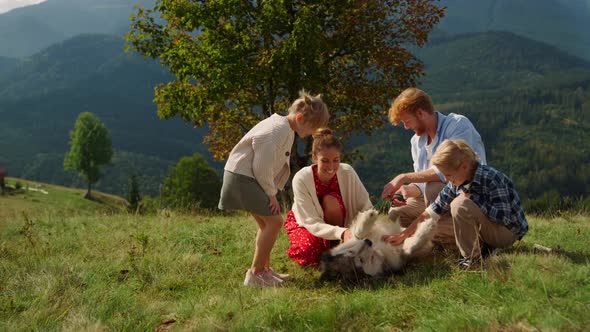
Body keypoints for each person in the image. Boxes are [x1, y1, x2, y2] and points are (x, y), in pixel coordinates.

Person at [218, 91, 329, 287]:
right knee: (275, 222)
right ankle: (255, 273)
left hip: (246, 177)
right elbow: (261, 166)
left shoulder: (285, 129)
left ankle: (264, 271)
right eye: (313, 128)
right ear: (300, 118)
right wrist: (271, 194)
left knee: (266, 224)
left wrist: (272, 190)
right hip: (243, 178)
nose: (312, 133)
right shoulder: (278, 130)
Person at [383, 139, 528, 269]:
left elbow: (505, 218)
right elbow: (432, 211)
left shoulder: (492, 179)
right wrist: (403, 235)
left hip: (507, 233)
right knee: (460, 203)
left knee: (460, 204)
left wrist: (475, 200)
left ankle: (472, 260)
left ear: (464, 166)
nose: (446, 179)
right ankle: (480, 251)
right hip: (490, 231)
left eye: (448, 175)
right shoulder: (457, 181)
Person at [381, 87, 486, 246]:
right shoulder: (416, 142)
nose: (406, 127)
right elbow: (421, 181)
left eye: (407, 121)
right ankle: (439, 235)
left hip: (467, 196)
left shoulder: (457, 125)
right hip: (436, 201)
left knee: (433, 187)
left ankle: (475, 235)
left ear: (421, 113)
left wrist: (403, 177)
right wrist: (406, 190)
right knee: (395, 214)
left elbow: (450, 170)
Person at [284, 128, 373, 267]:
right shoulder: (301, 178)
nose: (331, 166)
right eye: (325, 160)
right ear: (314, 157)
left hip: (340, 224)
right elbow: (310, 221)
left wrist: (365, 227)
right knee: (309, 251)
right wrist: (342, 232)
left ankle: (336, 245)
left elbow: (366, 207)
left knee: (330, 201)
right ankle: (335, 248)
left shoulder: (347, 172)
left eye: (336, 160)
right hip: (308, 222)